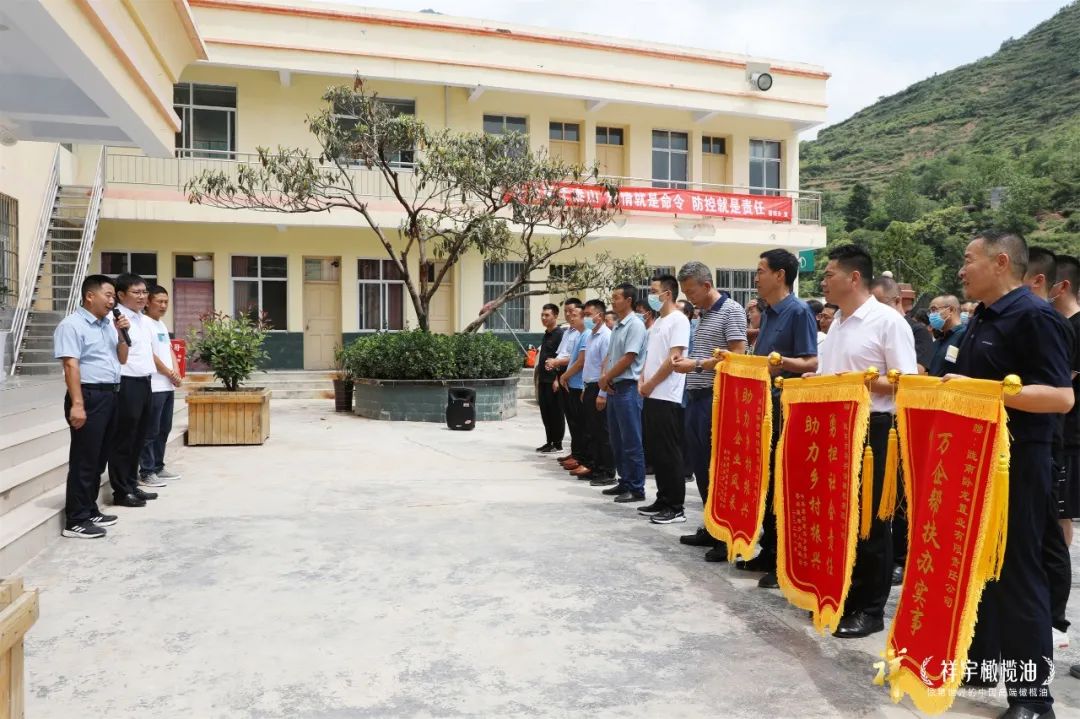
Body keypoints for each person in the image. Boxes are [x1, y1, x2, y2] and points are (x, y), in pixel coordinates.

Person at [954, 232, 1072, 717]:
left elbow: (1061, 397)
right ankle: (982, 665)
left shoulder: (1035, 317)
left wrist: (983, 391)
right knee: (980, 567)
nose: (961, 270)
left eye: (968, 260)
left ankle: (1033, 699)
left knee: (1019, 573)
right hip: (977, 458)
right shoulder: (982, 316)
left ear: (1001, 262)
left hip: (1019, 462)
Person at [818, 245, 917, 639]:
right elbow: (833, 375)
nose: (823, 282)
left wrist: (859, 383)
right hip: (837, 426)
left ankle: (870, 609)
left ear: (854, 277)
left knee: (872, 522)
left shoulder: (887, 322)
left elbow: (906, 382)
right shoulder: (838, 324)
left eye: (829, 274)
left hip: (875, 431)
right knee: (842, 517)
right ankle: (844, 594)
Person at [734, 250, 818, 589]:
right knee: (766, 481)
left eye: (760, 271)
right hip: (764, 407)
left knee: (784, 482)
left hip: (787, 408)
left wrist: (780, 362)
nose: (756, 278)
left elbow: (811, 362)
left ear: (780, 275)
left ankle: (786, 559)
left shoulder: (798, 312)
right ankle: (768, 550)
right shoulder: (767, 313)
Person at [671, 261, 747, 560]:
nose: (688, 297)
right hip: (696, 397)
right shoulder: (703, 314)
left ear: (706, 285)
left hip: (718, 398)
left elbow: (738, 356)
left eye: (691, 291)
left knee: (718, 469)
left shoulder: (731, 311)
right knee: (702, 467)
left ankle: (727, 537)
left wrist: (697, 365)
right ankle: (711, 526)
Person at [1022, 247, 1075, 654]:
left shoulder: (1051, 323)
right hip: (1039, 440)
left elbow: (1060, 394)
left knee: (1053, 530)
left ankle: (1055, 619)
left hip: (1058, 440)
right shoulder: (1023, 318)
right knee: (1045, 529)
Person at [52, 275, 130, 538]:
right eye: (108, 295)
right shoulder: (71, 325)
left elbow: (122, 359)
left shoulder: (108, 325)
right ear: (89, 296)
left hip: (111, 395)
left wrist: (122, 334)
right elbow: (70, 366)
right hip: (88, 395)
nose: (112, 301)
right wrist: (77, 404)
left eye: (113, 297)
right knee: (84, 459)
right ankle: (76, 519)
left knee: (99, 458)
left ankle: (89, 508)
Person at [636, 275, 691, 524]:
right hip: (651, 393)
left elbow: (673, 359)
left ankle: (676, 506)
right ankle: (663, 498)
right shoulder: (658, 321)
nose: (650, 295)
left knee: (669, 451)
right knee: (657, 451)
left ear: (667, 294)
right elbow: (650, 357)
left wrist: (650, 383)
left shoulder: (678, 320)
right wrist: (642, 380)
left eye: (654, 291)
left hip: (667, 395)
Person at [107, 273, 161, 507]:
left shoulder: (142, 319)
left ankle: (131, 484)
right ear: (121, 295)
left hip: (145, 381)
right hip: (126, 382)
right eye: (136, 292)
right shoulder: (115, 318)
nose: (142, 296)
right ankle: (121, 491)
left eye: (144, 292)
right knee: (125, 438)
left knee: (139, 437)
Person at [598, 283, 648, 504]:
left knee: (631, 440)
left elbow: (629, 357)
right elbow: (610, 356)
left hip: (628, 387)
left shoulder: (635, 325)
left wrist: (607, 377)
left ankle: (637, 488)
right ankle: (624, 480)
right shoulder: (618, 325)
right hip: (614, 387)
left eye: (616, 297)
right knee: (617, 439)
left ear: (628, 300)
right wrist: (605, 378)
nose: (613, 301)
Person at [139, 286, 183, 485]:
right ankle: (146, 471)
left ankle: (158, 466)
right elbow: (149, 354)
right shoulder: (143, 323)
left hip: (167, 386)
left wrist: (176, 372)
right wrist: (168, 372)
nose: (164, 305)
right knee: (150, 431)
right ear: (148, 302)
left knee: (164, 429)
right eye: (159, 301)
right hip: (153, 386)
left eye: (166, 302)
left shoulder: (161, 324)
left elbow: (169, 350)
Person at [577, 299, 615, 485]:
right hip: (589, 386)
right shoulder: (591, 336)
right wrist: (585, 388)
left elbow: (606, 367)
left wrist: (602, 393)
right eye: (584, 315)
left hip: (600, 387)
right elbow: (590, 365)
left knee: (602, 432)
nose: (585, 318)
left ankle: (607, 471)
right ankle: (595, 467)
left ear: (599, 316)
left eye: (588, 315)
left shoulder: (606, 336)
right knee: (592, 431)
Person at [870, 276, 933, 374]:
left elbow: (918, 369)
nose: (875, 310)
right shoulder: (872, 327)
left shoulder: (919, 331)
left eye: (880, 305)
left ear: (897, 301)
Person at [556, 302, 588, 474]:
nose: (570, 317)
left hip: (579, 383)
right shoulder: (574, 333)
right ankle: (577, 454)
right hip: (571, 381)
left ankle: (582, 457)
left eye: (574, 314)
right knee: (574, 422)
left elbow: (580, 362)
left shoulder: (585, 335)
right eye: (568, 313)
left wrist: (565, 376)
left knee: (582, 425)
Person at [535, 303, 565, 453]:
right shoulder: (547, 334)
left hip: (553, 381)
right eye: (542, 315)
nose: (543, 318)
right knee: (545, 412)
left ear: (555, 316)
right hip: (543, 380)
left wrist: (557, 379)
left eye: (547, 315)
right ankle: (549, 441)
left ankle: (557, 443)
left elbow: (561, 357)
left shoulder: (560, 334)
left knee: (555, 412)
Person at [927, 295, 966, 377]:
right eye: (930, 311)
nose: (931, 315)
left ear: (951, 310)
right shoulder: (939, 340)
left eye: (934, 310)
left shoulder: (965, 336)